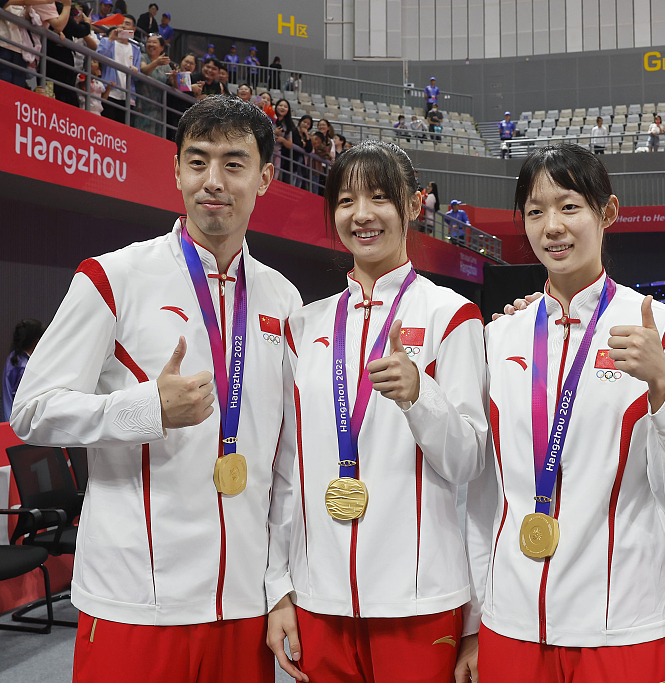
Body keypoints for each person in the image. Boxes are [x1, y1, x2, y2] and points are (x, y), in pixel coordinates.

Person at [11, 95, 302, 683]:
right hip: (134, 601)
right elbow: (32, 411)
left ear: (266, 178)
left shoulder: (283, 299)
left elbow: (287, 464)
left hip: (241, 606)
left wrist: (279, 589)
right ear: (175, 171)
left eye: (233, 163)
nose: (212, 181)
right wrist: (145, 408)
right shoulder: (112, 277)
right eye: (196, 162)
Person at [467, 143, 665, 683]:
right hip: (513, 621)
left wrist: (663, 382)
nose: (552, 225)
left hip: (622, 622)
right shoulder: (498, 336)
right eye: (535, 211)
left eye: (570, 206)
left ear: (608, 213)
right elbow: (485, 497)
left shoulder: (663, 331)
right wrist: (475, 615)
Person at [265, 139, 487, 683]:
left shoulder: (451, 316)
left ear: (413, 206)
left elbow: (468, 463)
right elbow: (287, 473)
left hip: (419, 597)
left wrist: (420, 396)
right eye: (346, 201)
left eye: (381, 197)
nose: (362, 215)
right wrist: (279, 590)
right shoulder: (305, 326)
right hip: (321, 598)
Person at [96, 16, 141, 125]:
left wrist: (135, 71)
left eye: (127, 23)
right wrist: (111, 39)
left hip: (127, 95)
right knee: (107, 127)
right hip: (109, 92)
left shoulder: (136, 49)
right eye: (121, 23)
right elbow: (98, 57)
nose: (123, 26)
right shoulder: (107, 41)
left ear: (133, 29)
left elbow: (137, 76)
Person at [2, 319, 43, 422]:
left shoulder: (13, 357)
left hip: (8, 418)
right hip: (15, 424)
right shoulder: (23, 368)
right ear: (37, 342)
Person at [134, 33, 171, 136]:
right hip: (142, 105)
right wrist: (156, 63)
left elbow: (173, 83)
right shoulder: (143, 57)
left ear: (162, 47)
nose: (151, 44)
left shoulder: (166, 65)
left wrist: (175, 77)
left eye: (154, 42)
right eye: (149, 42)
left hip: (158, 108)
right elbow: (144, 70)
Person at [272, 98, 302, 185]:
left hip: (278, 153)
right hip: (266, 151)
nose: (282, 108)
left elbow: (290, 144)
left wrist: (283, 140)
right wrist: (274, 133)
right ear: (276, 106)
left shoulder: (288, 124)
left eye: (285, 106)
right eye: (280, 105)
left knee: (275, 176)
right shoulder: (269, 118)